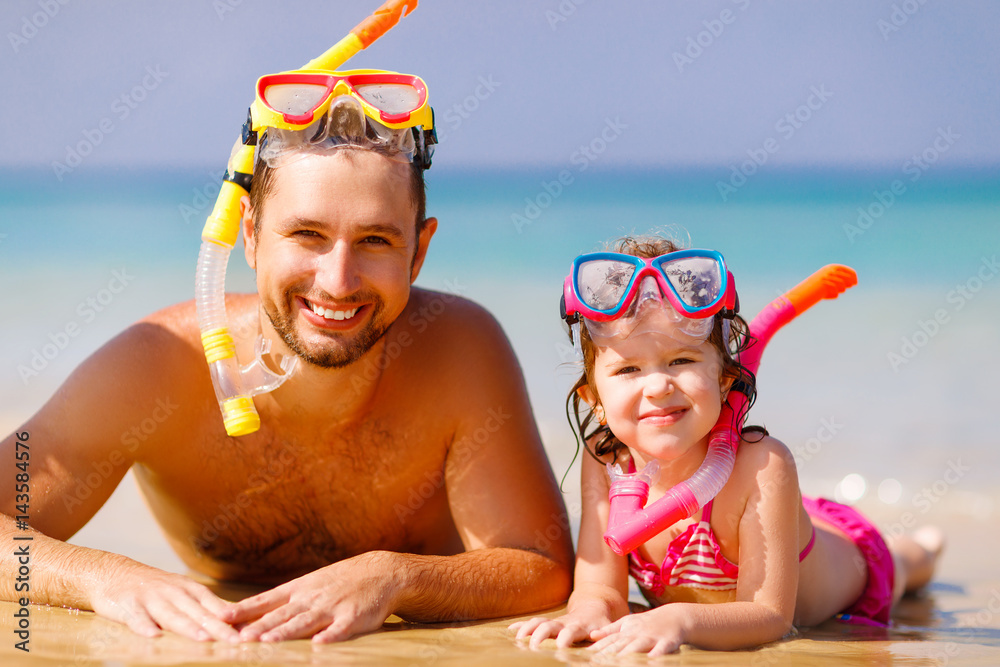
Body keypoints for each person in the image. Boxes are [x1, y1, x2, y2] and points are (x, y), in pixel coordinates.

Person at [0, 65, 572, 644]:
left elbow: (540, 567)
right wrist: (110, 580)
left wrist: (393, 577)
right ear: (249, 234)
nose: (338, 280)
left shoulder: (461, 351)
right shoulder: (158, 366)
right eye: (306, 235)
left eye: (376, 240)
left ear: (418, 253)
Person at [511, 235, 942, 655]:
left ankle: (921, 549)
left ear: (724, 380)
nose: (658, 384)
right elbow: (600, 586)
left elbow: (771, 615)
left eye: (682, 360)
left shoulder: (762, 465)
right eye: (628, 369)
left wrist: (679, 619)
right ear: (595, 401)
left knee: (903, 566)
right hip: (779, 520)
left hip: (852, 566)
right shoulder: (607, 462)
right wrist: (587, 612)